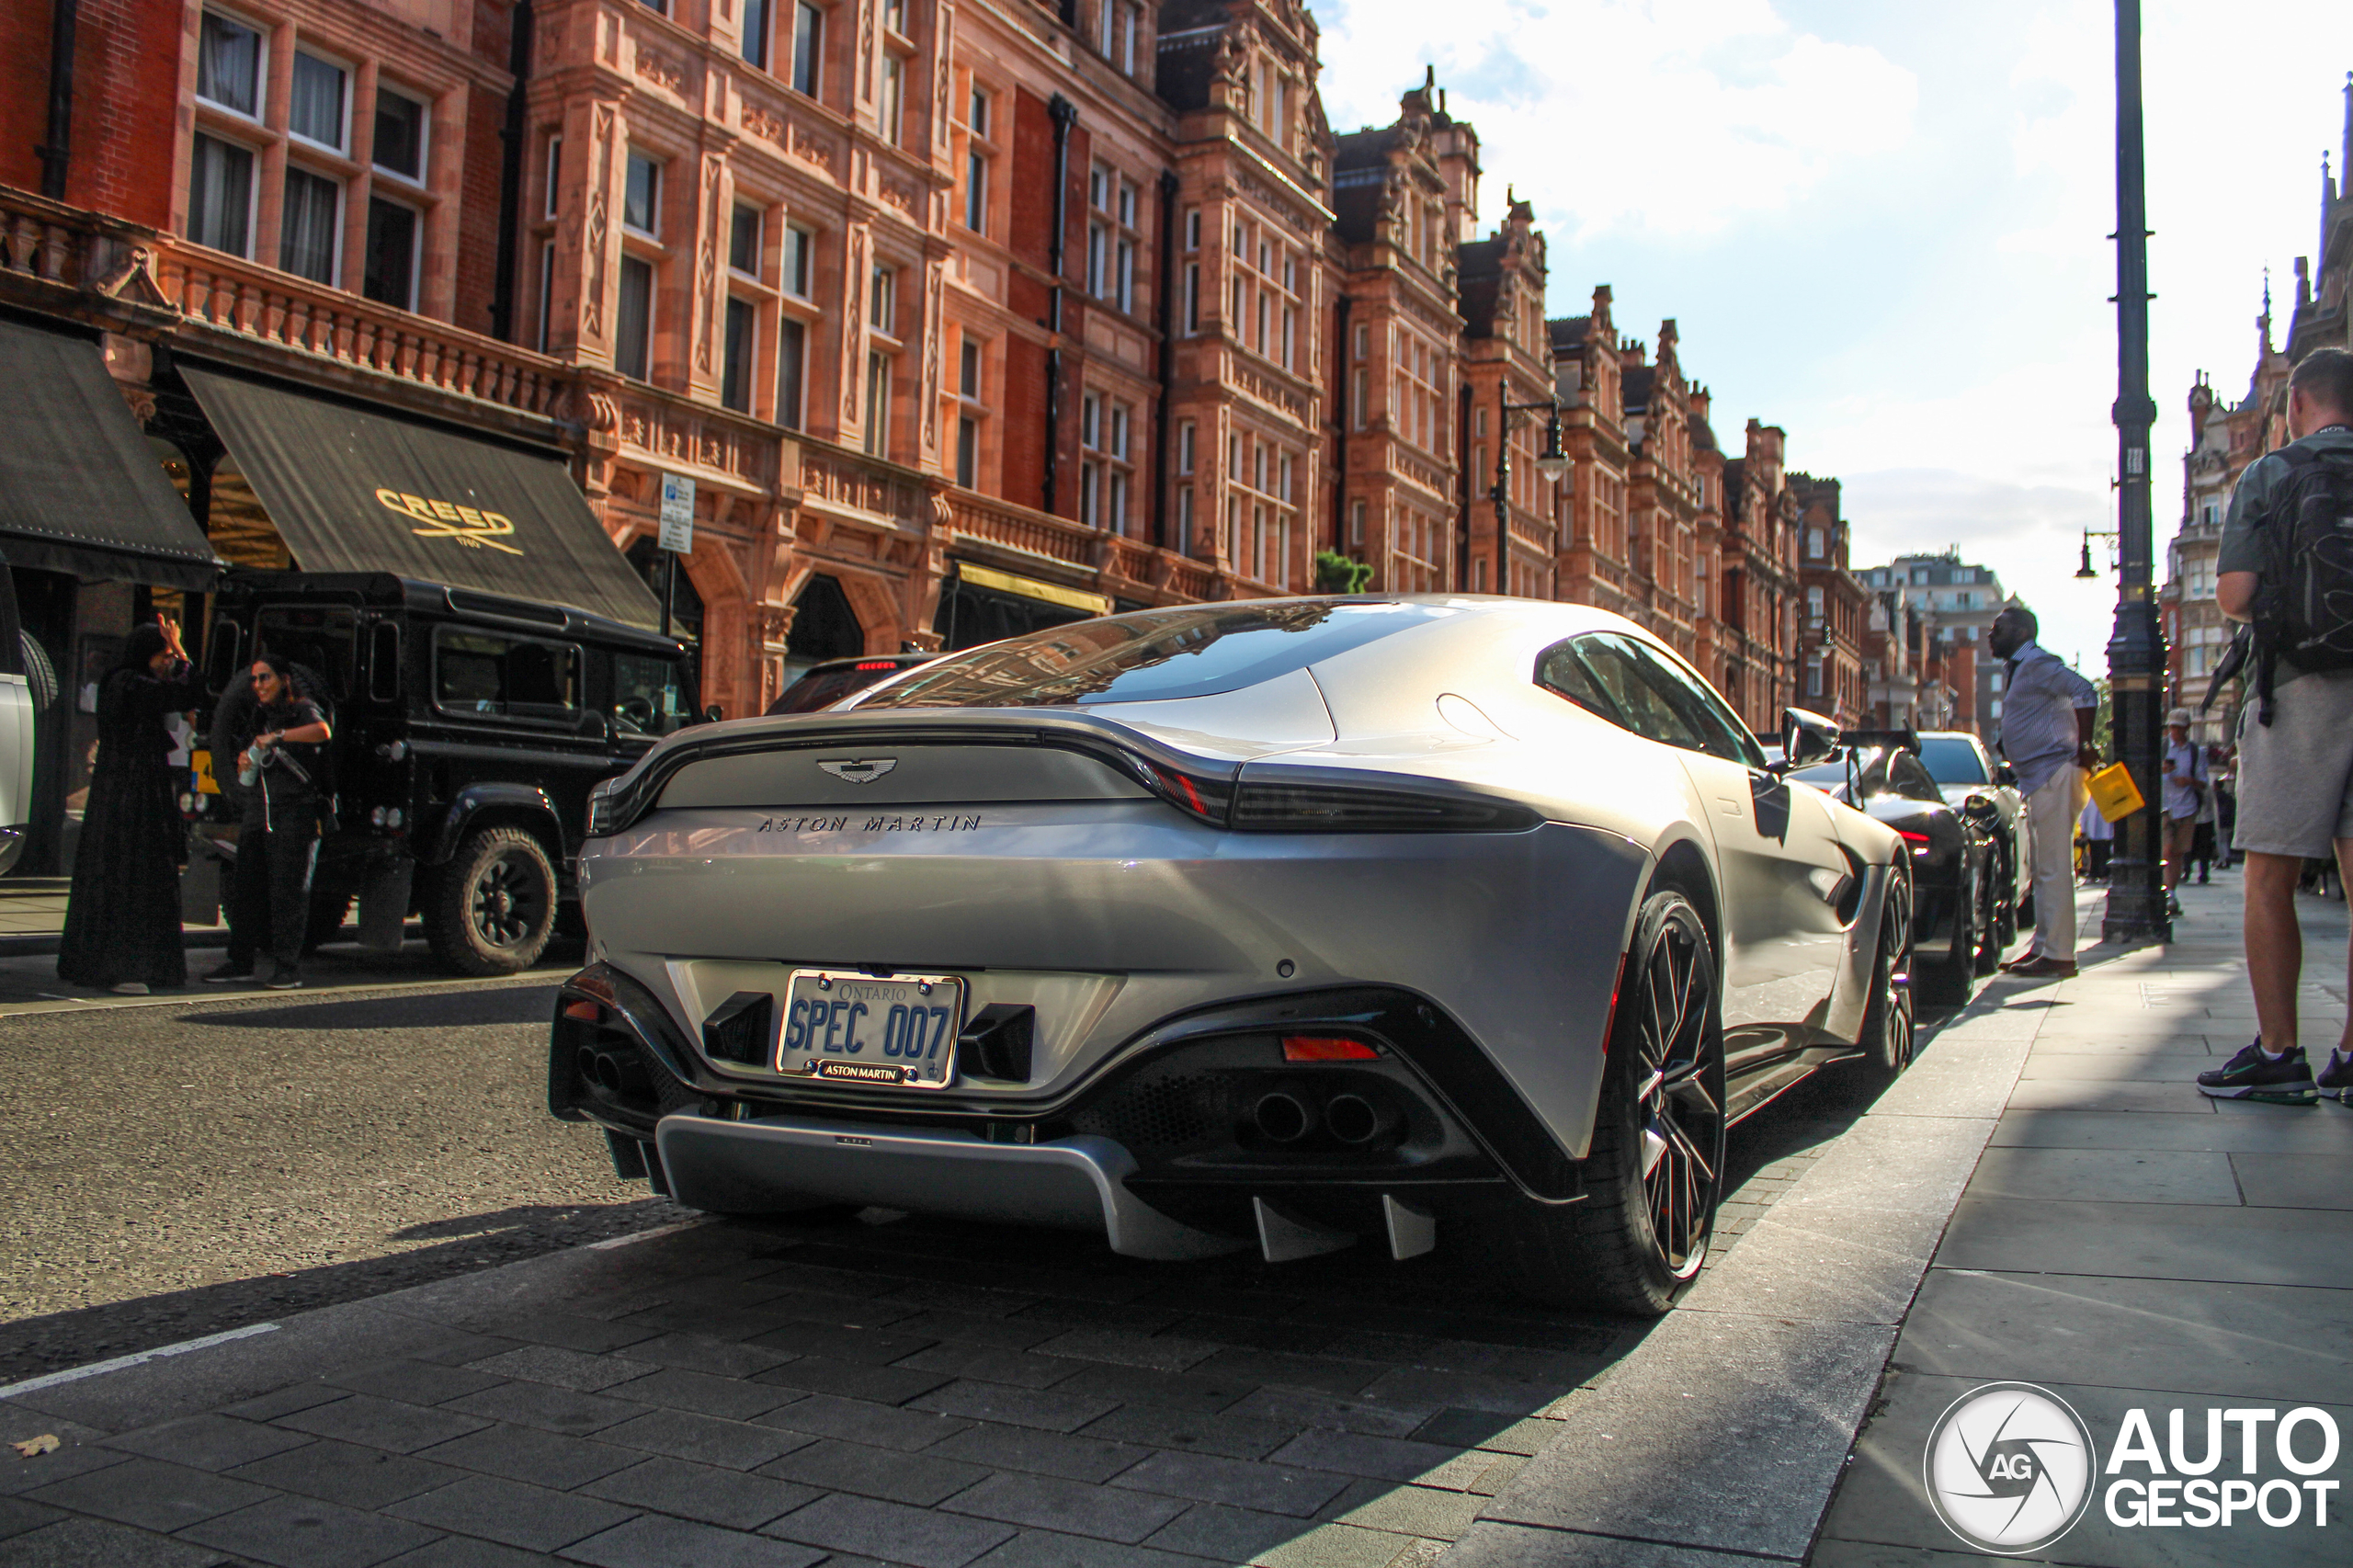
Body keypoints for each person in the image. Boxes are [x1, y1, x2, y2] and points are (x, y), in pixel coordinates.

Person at [2201, 345, 2353, 1103]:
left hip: (2296, 687)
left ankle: (2279, 1050)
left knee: (2270, 876)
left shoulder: (2273, 472)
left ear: (2296, 406)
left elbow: (2233, 592)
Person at [56, 620, 204, 994]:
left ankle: (114, 964)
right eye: (163, 656)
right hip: (131, 792)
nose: (166, 663)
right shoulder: (129, 683)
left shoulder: (124, 681)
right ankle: (122, 966)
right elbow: (186, 692)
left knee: (129, 871)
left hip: (127, 786)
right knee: (131, 872)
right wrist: (183, 652)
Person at [1990, 605, 2100, 979]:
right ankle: (2043, 946)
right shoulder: (2018, 667)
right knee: (2042, 868)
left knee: (2054, 868)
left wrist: (2086, 744)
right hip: (2039, 777)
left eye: (1999, 628)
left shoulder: (2036, 663)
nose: (1991, 634)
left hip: (2055, 772)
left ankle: (2060, 955)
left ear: (2021, 633)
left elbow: (2084, 690)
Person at [214, 655, 332, 990]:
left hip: (296, 812)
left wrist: (279, 737)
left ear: (283, 679)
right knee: (245, 890)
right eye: (254, 680)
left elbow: (322, 731)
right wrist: (242, 762)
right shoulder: (258, 715)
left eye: (265, 678)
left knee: (288, 893)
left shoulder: (302, 709)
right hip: (259, 812)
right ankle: (239, 961)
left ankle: (287, 968)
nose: (259, 686)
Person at [2159, 707, 2209, 914]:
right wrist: (2161, 769)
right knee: (2167, 849)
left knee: (2177, 853)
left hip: (2186, 807)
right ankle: (2167, 893)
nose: (2174, 731)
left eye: (2178, 728)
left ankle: (2172, 891)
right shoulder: (2161, 748)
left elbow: (2203, 783)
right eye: (2171, 727)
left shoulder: (2195, 752)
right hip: (2164, 805)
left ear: (2187, 727)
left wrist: (2189, 781)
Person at [2078, 794, 2115, 881]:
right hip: (2096, 830)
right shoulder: (2091, 796)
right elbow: (2085, 813)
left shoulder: (2102, 796)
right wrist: (2083, 829)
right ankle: (2096, 873)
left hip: (2103, 830)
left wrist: (2084, 829)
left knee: (2103, 852)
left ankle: (2103, 873)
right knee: (2096, 852)